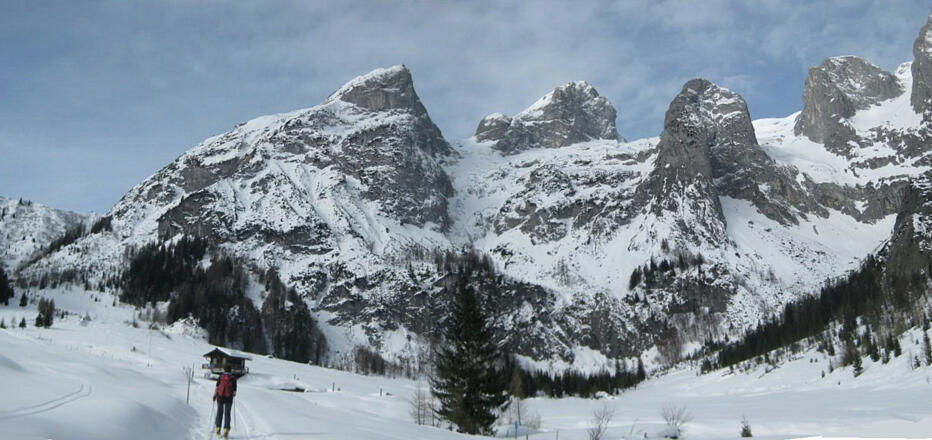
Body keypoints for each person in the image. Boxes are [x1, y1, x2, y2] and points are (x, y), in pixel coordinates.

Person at [213, 366, 237, 438]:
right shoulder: (233, 378)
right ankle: (226, 431)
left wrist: (215, 395)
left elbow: (217, 387)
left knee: (219, 412)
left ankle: (218, 429)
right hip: (228, 398)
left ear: (224, 370)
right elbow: (234, 391)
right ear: (231, 370)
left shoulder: (221, 376)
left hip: (220, 396)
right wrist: (233, 395)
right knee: (227, 414)